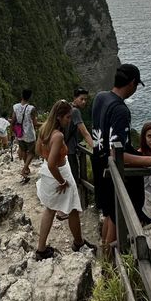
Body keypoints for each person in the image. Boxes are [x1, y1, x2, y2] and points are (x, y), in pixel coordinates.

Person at [91, 64, 151, 254]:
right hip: (112, 172)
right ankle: (110, 269)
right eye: (136, 85)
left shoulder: (100, 98)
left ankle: (104, 255)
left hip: (98, 165)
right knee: (119, 218)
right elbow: (116, 153)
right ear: (133, 83)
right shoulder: (120, 110)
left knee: (109, 213)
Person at [34, 99, 95, 260]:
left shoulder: (44, 129)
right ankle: (78, 243)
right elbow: (54, 164)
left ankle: (41, 249)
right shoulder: (58, 136)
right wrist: (61, 181)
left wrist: (49, 160)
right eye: (68, 117)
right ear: (60, 117)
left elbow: (38, 150)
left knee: (50, 208)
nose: (70, 120)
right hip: (60, 173)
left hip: (48, 172)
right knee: (73, 208)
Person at [58, 86, 93, 217]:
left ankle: (64, 208)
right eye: (82, 99)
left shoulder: (65, 108)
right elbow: (84, 132)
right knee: (72, 179)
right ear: (75, 98)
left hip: (62, 149)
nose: (84, 102)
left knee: (66, 178)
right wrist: (95, 148)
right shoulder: (75, 112)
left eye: (86, 99)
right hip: (70, 151)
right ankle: (67, 210)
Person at [11, 89, 38, 183]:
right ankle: (24, 169)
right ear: (30, 97)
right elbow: (34, 122)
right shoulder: (32, 108)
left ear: (21, 95)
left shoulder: (15, 107)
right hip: (29, 134)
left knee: (23, 150)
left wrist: (12, 132)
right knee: (32, 152)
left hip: (20, 133)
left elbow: (13, 120)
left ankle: (26, 169)